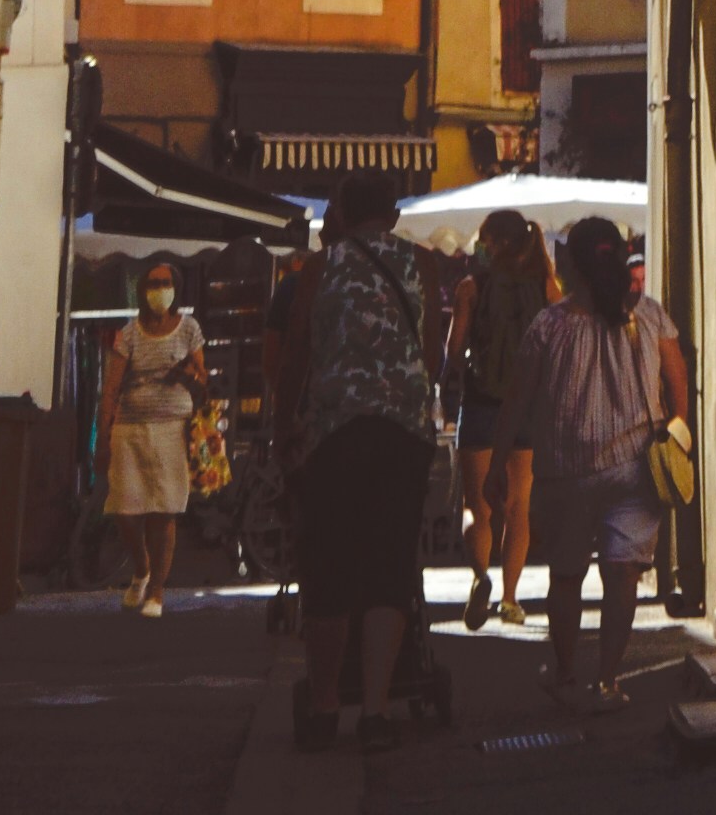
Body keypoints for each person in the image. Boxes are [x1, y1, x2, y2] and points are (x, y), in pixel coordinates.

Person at [497, 215, 688, 711]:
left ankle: (564, 673)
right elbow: (677, 379)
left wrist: (499, 462)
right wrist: (678, 430)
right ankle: (608, 679)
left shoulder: (550, 325)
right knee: (622, 576)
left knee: (566, 576)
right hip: (636, 470)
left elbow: (517, 400)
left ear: (574, 266)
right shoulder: (649, 315)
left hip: (566, 469)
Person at [281, 184, 436, 749]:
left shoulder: (321, 268)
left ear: (341, 214)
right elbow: (431, 352)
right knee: (389, 563)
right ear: (394, 215)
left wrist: (283, 427)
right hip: (404, 430)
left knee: (331, 566)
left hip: (336, 429)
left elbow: (297, 348)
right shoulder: (421, 263)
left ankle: (325, 706)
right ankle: (375, 711)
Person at [450, 205, 554, 627]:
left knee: (477, 506)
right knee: (519, 507)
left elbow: (455, 350)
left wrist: (445, 387)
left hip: (479, 404)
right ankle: (511, 599)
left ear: (495, 242)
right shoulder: (546, 286)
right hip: (527, 408)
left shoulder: (470, 287)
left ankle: (480, 576)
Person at [98, 259, 207, 614]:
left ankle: (157, 590)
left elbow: (202, 379)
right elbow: (111, 385)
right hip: (130, 426)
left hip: (172, 426)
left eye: (165, 282)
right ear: (143, 290)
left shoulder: (189, 329)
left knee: (163, 509)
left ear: (175, 288)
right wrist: (103, 433)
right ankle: (141, 569)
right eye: (153, 282)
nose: (159, 289)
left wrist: (188, 375)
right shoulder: (129, 333)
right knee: (124, 509)